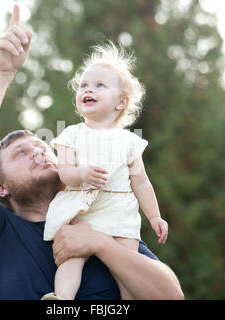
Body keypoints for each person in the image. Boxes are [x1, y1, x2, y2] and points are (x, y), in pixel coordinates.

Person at [0, 4, 184, 300]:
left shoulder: (103, 220)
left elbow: (172, 298)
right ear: (1, 187)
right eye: (21, 153)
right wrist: (1, 73)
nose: (38, 152)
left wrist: (100, 244)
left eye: (43, 147)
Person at [41, 42, 169, 300]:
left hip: (120, 212)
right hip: (83, 210)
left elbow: (141, 183)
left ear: (121, 102)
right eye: (84, 85)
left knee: (127, 266)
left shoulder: (130, 141)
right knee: (71, 259)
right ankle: (62, 299)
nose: (88, 89)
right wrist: (81, 174)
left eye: (100, 85)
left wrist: (154, 216)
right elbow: (64, 172)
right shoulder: (72, 134)